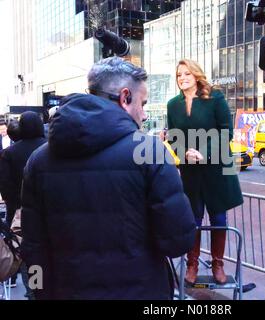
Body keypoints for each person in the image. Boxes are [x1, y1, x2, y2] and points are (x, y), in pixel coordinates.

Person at [20, 57, 196, 300]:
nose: (144, 115)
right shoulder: (150, 152)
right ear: (125, 98)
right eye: (142, 104)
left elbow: (33, 247)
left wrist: (38, 291)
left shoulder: (38, 161)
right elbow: (178, 241)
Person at [167, 59, 243, 285]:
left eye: (187, 73)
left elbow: (226, 132)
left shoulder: (215, 98)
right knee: (194, 219)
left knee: (218, 217)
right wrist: (184, 153)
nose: (182, 78)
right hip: (191, 171)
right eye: (179, 74)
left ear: (196, 75)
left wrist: (204, 152)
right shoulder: (173, 105)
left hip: (218, 167)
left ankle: (218, 264)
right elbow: (172, 136)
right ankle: (192, 263)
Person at [0, 111, 45, 297]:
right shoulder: (49, 149)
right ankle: (40, 288)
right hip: (46, 210)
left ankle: (29, 286)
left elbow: (5, 184)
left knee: (22, 251)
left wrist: (15, 205)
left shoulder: (9, 153)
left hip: (20, 213)